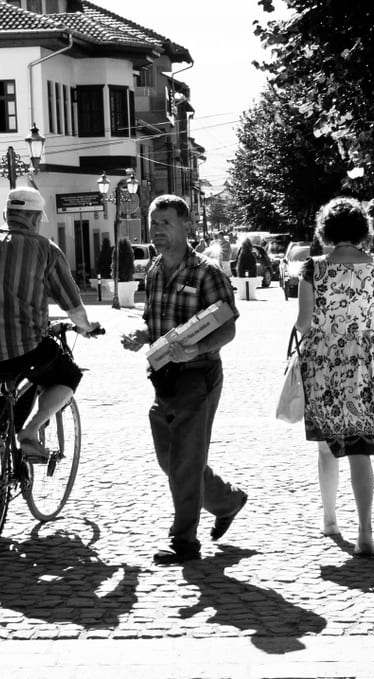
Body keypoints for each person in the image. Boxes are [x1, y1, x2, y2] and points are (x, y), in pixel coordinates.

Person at [121, 194, 247, 565]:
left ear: (187, 226)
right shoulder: (155, 270)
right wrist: (141, 336)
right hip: (162, 377)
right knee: (171, 459)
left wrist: (195, 351)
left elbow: (228, 330)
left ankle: (184, 542)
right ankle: (228, 500)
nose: (157, 230)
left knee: (185, 461)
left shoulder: (207, 272)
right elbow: (153, 322)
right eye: (153, 222)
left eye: (165, 222)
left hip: (198, 376)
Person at [0, 187, 102, 462]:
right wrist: (87, 326)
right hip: (21, 348)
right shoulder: (45, 249)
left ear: (5, 215)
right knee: (67, 375)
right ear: (35, 219)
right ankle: (30, 432)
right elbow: (73, 307)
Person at [295, 197, 374, 558]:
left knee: (327, 444)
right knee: (360, 448)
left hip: (323, 361)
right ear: (362, 229)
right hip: (365, 361)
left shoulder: (314, 268)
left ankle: (331, 519)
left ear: (327, 230)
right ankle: (365, 532)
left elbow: (303, 324)